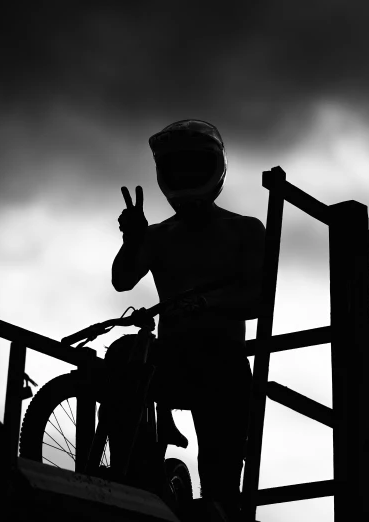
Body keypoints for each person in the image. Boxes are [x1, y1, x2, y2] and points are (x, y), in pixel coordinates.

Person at [112, 119, 265, 521]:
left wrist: (208, 303)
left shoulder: (245, 230)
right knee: (123, 354)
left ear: (214, 169)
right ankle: (136, 472)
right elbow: (123, 280)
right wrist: (132, 241)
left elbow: (258, 297)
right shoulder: (160, 236)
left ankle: (217, 506)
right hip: (172, 358)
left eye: (193, 167)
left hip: (223, 361)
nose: (184, 177)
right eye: (175, 168)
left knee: (219, 487)